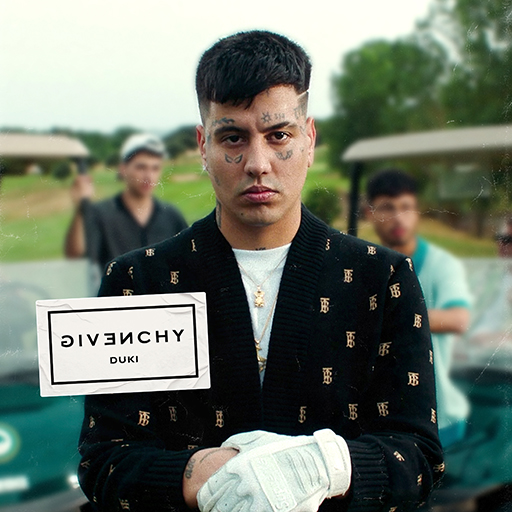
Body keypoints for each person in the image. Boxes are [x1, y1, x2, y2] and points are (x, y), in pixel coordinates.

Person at [78, 31, 443, 512]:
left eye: (278, 136)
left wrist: (324, 466)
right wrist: (206, 474)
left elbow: (418, 458)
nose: (257, 164)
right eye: (233, 137)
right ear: (203, 145)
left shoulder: (383, 279)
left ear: (309, 139)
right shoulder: (136, 282)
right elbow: (104, 461)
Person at [366, 169, 471, 448]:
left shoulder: (441, 264)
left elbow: (459, 318)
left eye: (406, 207)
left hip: (438, 414)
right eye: (387, 208)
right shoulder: (367, 264)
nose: (398, 218)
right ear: (370, 213)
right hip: (380, 414)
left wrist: (393, 314)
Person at [64, 133, 188, 271]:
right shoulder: (101, 214)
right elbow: (75, 256)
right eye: (141, 167)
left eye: (155, 168)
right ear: (123, 169)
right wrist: (80, 208)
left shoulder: (171, 216)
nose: (149, 176)